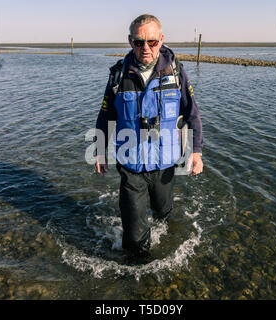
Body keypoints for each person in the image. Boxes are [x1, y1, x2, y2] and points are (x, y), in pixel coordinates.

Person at [94, 14, 203, 257]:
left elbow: (192, 113)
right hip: (131, 167)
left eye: (152, 42)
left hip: (165, 166)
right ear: (130, 41)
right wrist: (100, 151)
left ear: (161, 39)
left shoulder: (176, 72)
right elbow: (105, 116)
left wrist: (196, 153)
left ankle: (161, 223)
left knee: (163, 215)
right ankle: (138, 276)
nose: (145, 48)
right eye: (139, 42)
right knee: (134, 240)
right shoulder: (118, 76)